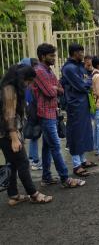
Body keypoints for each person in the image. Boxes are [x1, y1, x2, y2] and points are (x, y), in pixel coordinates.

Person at [34, 43, 86, 188]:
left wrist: (55, 88)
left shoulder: (49, 71)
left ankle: (46, 177)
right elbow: (51, 92)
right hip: (45, 113)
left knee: (46, 147)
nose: (54, 58)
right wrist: (55, 89)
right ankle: (65, 178)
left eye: (54, 55)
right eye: (51, 56)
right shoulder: (39, 71)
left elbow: (60, 89)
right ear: (43, 56)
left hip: (51, 112)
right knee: (56, 146)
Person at [0, 64, 53, 205]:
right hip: (8, 133)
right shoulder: (10, 90)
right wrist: (14, 138)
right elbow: (9, 115)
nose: (28, 85)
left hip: (5, 133)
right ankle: (34, 194)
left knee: (12, 163)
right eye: (28, 81)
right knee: (23, 162)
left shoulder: (7, 87)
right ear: (22, 78)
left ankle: (13, 195)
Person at [61, 44, 95, 177]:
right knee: (75, 133)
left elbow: (87, 80)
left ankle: (82, 160)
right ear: (75, 53)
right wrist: (87, 83)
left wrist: (87, 82)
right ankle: (76, 165)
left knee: (84, 132)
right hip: (75, 104)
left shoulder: (79, 66)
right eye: (81, 52)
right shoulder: (69, 68)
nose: (83, 54)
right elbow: (82, 85)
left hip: (83, 103)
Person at [19, 58, 42, 171]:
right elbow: (29, 100)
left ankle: (32, 158)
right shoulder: (29, 82)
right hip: (31, 112)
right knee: (33, 135)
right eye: (36, 65)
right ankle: (34, 160)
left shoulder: (26, 80)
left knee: (33, 136)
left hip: (29, 112)